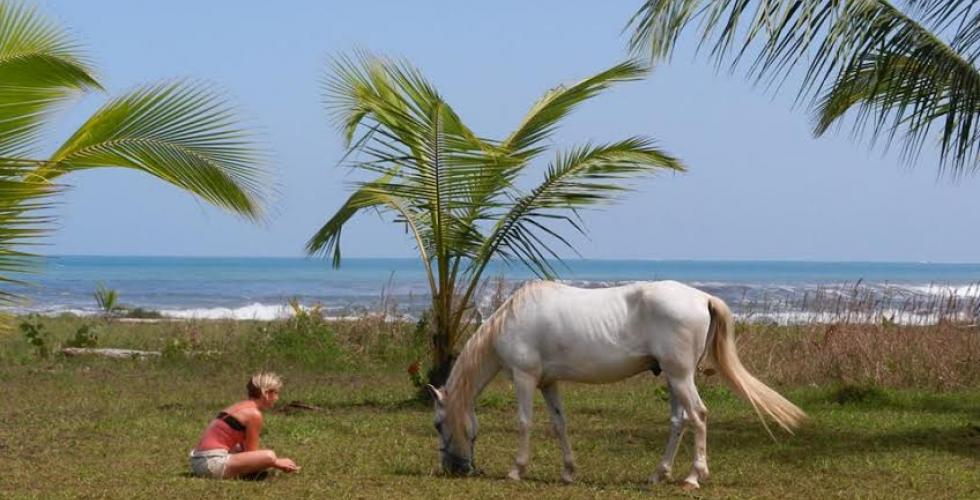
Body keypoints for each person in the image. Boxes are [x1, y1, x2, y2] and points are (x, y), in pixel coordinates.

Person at [189, 372, 300, 479]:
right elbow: (252, 453)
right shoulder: (254, 414)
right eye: (275, 393)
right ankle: (248, 474)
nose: (277, 398)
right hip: (210, 464)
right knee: (269, 456)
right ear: (265, 393)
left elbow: (244, 448)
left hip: (198, 461)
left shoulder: (240, 407)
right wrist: (276, 462)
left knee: (241, 449)